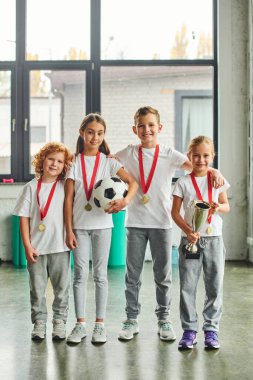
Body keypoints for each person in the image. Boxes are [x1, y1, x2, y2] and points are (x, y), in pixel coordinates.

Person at [116, 106, 224, 342]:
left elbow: (197, 166)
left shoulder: (169, 153)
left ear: (160, 128)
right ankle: (131, 319)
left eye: (151, 125)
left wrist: (214, 170)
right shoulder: (129, 152)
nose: (147, 130)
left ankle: (164, 319)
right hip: (134, 223)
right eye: (141, 126)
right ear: (135, 129)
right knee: (132, 274)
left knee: (162, 275)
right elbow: (107, 162)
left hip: (163, 224)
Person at [65, 113, 138, 344]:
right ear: (82, 133)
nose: (95, 137)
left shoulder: (109, 162)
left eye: (99, 133)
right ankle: (80, 324)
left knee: (100, 276)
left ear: (104, 135)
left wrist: (124, 202)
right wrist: (68, 230)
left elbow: (133, 182)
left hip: (103, 226)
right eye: (90, 132)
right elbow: (68, 199)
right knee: (79, 276)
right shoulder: (73, 162)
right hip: (78, 227)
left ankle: (100, 324)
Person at [171, 135, 230, 350]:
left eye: (206, 156)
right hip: (190, 241)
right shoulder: (183, 183)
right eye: (196, 156)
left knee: (214, 285)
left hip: (214, 239)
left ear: (212, 157)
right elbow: (175, 213)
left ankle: (211, 330)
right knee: (187, 286)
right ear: (189, 157)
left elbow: (226, 206)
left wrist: (217, 207)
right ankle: (189, 330)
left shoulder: (218, 179)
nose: (201, 160)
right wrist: (188, 231)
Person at [13, 142, 72, 341]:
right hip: (36, 249)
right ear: (42, 160)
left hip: (60, 247)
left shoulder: (65, 187)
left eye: (60, 161)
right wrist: (27, 246)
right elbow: (23, 218)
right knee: (37, 288)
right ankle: (39, 322)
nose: (54, 164)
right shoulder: (30, 188)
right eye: (51, 159)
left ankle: (59, 321)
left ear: (65, 166)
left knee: (61, 288)